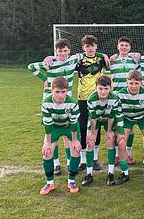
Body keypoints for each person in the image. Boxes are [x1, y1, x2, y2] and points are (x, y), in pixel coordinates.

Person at [28, 39, 107, 176]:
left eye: (65, 51)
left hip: (68, 102)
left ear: (69, 51)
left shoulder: (73, 60)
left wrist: (103, 55)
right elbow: (31, 67)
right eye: (60, 51)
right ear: (56, 51)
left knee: (67, 134)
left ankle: (70, 162)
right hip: (51, 102)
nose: (63, 54)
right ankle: (56, 164)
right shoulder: (50, 63)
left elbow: (88, 53)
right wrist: (44, 78)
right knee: (52, 133)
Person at [39, 77, 81, 195]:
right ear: (52, 90)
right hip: (54, 128)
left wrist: (75, 140)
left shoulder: (73, 103)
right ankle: (50, 183)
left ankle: (71, 181)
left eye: (63, 92)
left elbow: (73, 123)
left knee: (76, 150)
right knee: (47, 152)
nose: (60, 95)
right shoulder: (46, 103)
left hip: (69, 128)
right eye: (57, 91)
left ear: (67, 91)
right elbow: (47, 124)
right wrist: (47, 142)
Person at [116, 70, 144, 185]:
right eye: (131, 83)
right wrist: (121, 131)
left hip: (142, 117)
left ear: (141, 83)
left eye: (136, 83)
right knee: (121, 142)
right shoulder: (120, 94)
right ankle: (124, 173)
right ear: (126, 82)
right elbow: (119, 114)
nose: (133, 86)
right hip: (126, 118)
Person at [75, 35, 108, 173]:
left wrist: (103, 54)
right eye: (87, 46)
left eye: (92, 46)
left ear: (96, 47)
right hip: (82, 98)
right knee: (83, 128)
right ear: (83, 48)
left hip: (97, 98)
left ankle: (94, 159)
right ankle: (83, 160)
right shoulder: (78, 60)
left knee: (96, 127)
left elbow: (113, 60)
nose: (90, 48)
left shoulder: (101, 60)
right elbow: (63, 59)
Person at [85, 75, 124, 187]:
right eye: (100, 88)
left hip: (108, 119)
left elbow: (112, 116)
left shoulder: (114, 98)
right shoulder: (91, 99)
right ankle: (89, 174)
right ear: (96, 88)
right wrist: (92, 134)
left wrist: (110, 131)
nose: (103, 92)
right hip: (95, 120)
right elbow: (93, 118)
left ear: (111, 88)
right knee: (90, 143)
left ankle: (111, 173)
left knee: (111, 141)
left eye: (106, 89)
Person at [109, 37, 140, 164]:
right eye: (122, 45)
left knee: (130, 127)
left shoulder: (135, 61)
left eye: (126, 45)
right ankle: (117, 154)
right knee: (117, 127)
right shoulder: (112, 61)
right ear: (118, 47)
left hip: (130, 98)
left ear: (130, 48)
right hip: (117, 98)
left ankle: (128, 153)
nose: (124, 47)